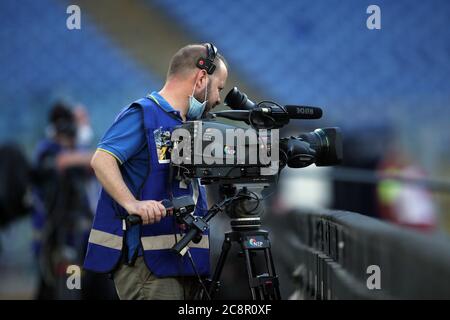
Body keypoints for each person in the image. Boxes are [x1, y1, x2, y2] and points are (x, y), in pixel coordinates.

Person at [83, 43, 228, 300]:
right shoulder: (144, 113)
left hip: (178, 263)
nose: (217, 99)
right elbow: (102, 159)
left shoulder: (184, 125)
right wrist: (133, 204)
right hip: (147, 267)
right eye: (219, 88)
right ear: (201, 77)